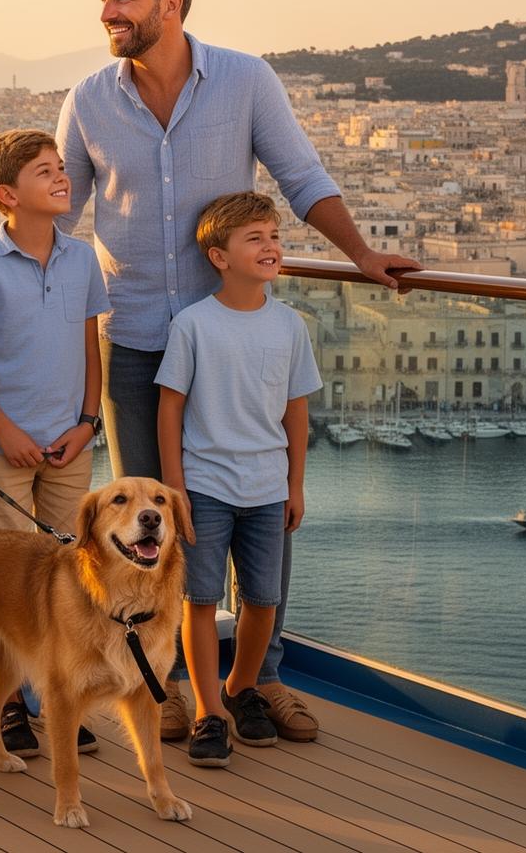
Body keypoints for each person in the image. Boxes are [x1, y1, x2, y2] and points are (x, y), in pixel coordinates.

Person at [56, 0, 423, 740]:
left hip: (231, 339)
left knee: (260, 506)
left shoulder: (246, 80)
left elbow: (301, 174)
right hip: (140, 342)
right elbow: (54, 210)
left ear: (171, 6)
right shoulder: (89, 99)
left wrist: (361, 255)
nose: (107, 12)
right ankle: (165, 687)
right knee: (142, 530)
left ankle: (257, 681)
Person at [0, 127, 109, 757]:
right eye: (45, 172)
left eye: (60, 168)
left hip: (70, 444)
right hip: (2, 448)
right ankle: (8, 705)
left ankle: (59, 695)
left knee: (72, 575)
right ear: (6, 194)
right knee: (8, 583)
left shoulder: (82, 259)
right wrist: (6, 433)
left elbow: (90, 347)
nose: (62, 178)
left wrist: (87, 424)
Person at [155, 192, 321, 766]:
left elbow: (296, 412)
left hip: (268, 486)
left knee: (264, 600)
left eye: (274, 236)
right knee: (199, 600)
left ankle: (240, 688)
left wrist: (296, 485)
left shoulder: (291, 325)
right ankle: (207, 710)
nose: (271, 247)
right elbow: (169, 409)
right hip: (204, 485)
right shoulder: (194, 324)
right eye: (255, 238)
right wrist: (176, 492)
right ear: (218, 256)